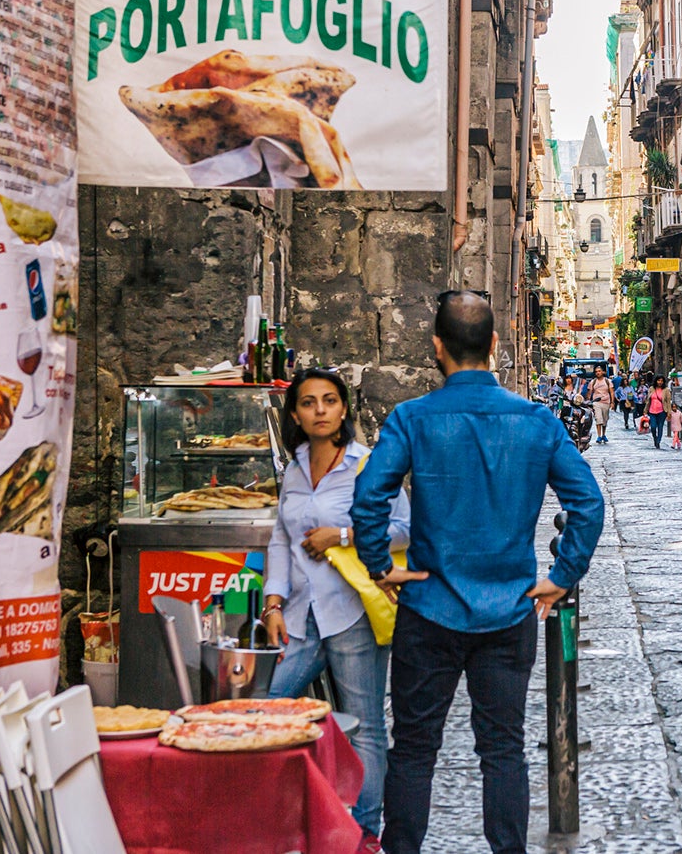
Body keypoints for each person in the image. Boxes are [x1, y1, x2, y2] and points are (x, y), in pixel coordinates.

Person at [350, 291, 604, 854]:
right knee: (503, 750)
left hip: (428, 609)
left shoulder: (412, 420)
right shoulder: (536, 421)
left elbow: (369, 499)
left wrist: (378, 567)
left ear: (436, 348)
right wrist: (563, 574)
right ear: (493, 344)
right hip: (509, 610)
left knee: (413, 749)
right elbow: (587, 501)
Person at [262, 368, 406, 844]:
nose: (320, 410)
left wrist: (342, 535)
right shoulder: (294, 469)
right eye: (308, 402)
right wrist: (273, 602)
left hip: (352, 614)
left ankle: (364, 832)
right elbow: (281, 538)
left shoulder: (368, 466)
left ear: (344, 409)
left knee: (364, 726)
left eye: (329, 400)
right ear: (296, 414)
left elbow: (405, 529)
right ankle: (289, 817)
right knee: (267, 709)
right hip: (300, 617)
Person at [588, 364, 614, 444]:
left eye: (599, 371)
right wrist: (588, 402)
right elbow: (589, 392)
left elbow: (611, 392)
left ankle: (603, 434)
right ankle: (599, 436)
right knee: (598, 419)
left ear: (603, 372)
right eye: (596, 372)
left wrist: (612, 402)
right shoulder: (593, 382)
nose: (598, 373)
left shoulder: (608, 381)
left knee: (604, 420)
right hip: (596, 402)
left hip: (606, 402)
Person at [645, 375, 670, 449]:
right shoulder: (651, 389)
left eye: (661, 381)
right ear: (656, 381)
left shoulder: (666, 390)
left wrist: (669, 412)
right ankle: (655, 438)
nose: (660, 382)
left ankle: (658, 441)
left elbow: (668, 402)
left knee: (660, 426)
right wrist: (645, 411)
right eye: (658, 380)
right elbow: (648, 400)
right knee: (653, 426)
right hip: (652, 411)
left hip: (662, 411)